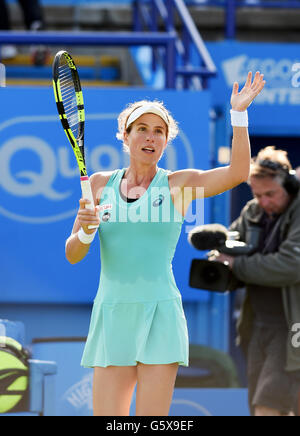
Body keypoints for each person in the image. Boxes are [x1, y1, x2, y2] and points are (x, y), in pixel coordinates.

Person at [65, 71, 265, 416]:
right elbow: (73, 255)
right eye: (141, 128)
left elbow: (237, 173)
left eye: (159, 131)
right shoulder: (98, 184)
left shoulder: (177, 184)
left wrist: (239, 114)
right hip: (111, 315)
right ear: (125, 136)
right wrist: (85, 231)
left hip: (160, 315)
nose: (150, 137)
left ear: (166, 141)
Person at [214, 146, 300, 416]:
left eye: (270, 194)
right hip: (256, 326)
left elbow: (290, 266)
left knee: (268, 406)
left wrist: (237, 265)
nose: (264, 202)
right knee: (261, 407)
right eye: (257, 194)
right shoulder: (252, 211)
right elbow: (227, 248)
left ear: (289, 185)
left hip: (291, 329)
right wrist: (218, 258)